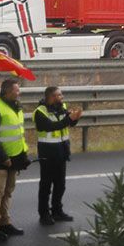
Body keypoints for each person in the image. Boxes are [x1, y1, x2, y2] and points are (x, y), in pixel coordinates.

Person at [0, 78, 30, 242]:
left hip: (14, 156)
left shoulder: (15, 107)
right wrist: (3, 157)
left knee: (8, 192)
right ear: (8, 92)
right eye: (17, 91)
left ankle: (5, 222)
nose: (19, 93)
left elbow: (18, 134)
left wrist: (22, 156)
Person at [35, 86, 83, 225]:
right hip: (47, 153)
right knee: (46, 185)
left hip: (61, 152)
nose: (62, 97)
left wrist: (75, 118)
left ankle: (57, 211)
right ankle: (44, 214)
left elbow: (69, 123)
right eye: (59, 95)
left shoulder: (61, 108)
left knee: (60, 185)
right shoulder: (40, 112)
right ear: (51, 97)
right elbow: (51, 126)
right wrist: (69, 120)